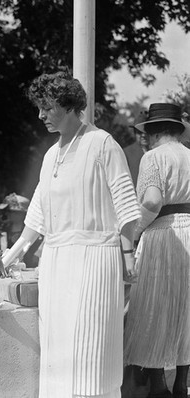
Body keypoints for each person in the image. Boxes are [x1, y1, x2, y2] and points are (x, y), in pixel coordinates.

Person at [0, 70, 140, 398]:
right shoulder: (50, 155)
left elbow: (126, 207)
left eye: (47, 107)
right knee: (60, 349)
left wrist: (127, 256)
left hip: (94, 260)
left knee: (90, 349)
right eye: (39, 107)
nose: (40, 114)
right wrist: (10, 256)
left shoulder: (102, 143)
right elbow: (38, 216)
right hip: (56, 263)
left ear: (69, 105)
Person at [124, 103, 190, 398]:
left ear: (152, 132)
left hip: (163, 233)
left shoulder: (152, 158)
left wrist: (134, 231)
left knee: (153, 306)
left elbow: (151, 201)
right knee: (186, 308)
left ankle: (159, 384)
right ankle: (182, 382)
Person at [0, 192, 43, 267]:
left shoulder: (31, 231)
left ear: (22, 213)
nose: (8, 214)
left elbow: (35, 254)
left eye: (12, 212)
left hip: (27, 267)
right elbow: (2, 249)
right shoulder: (6, 228)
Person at [123, 110, 150, 186]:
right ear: (134, 133)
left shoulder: (158, 152)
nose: (143, 135)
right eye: (139, 132)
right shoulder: (126, 153)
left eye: (146, 132)